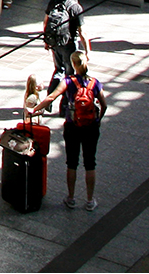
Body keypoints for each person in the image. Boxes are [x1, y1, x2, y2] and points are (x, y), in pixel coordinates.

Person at [29, 50, 107, 212]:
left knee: (72, 163)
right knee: (90, 163)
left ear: (73, 64)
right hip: (91, 128)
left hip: (72, 127)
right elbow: (104, 105)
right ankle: (90, 200)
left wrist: (35, 110)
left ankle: (71, 198)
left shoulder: (68, 81)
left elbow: (51, 97)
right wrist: (97, 121)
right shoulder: (95, 83)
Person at [42, 0, 89, 101]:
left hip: (55, 41)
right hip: (69, 44)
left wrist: (47, 40)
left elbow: (46, 22)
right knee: (70, 74)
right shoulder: (76, 7)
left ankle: (49, 98)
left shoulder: (54, 1)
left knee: (58, 70)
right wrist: (87, 50)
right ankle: (65, 104)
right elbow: (82, 31)